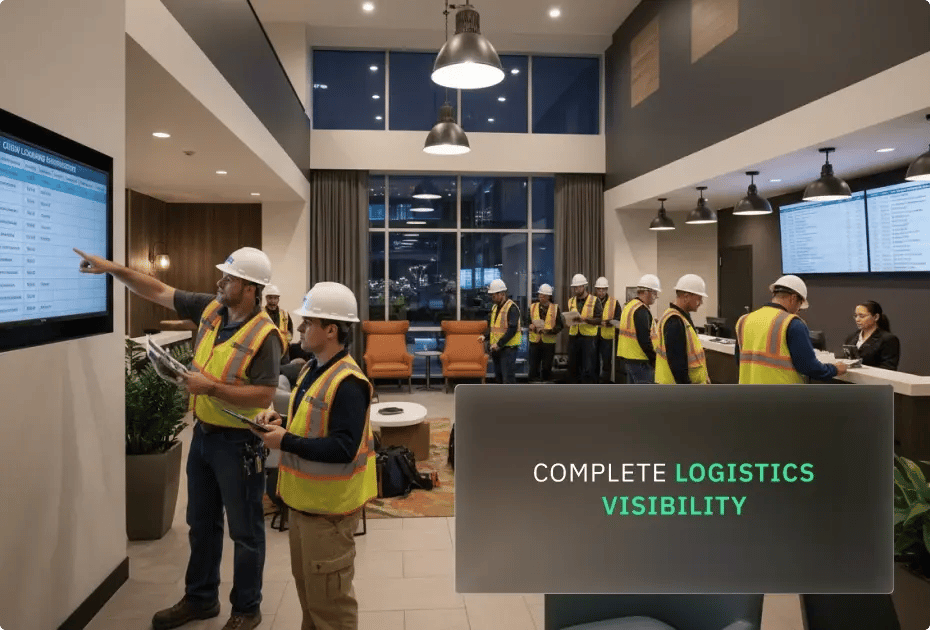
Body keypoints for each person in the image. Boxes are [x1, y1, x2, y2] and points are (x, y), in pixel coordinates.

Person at [74, 246, 280, 630]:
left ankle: (247, 609)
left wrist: (211, 388)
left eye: (229, 279)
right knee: (201, 523)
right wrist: (112, 268)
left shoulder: (265, 335)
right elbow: (156, 290)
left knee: (245, 532)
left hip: (239, 444)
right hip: (203, 438)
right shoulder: (211, 309)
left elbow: (265, 393)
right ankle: (201, 599)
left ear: (250, 288)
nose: (220, 282)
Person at [250, 282, 375, 630]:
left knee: (330, 609)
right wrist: (280, 421)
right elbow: (312, 425)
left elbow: (343, 448)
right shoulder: (311, 369)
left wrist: (285, 441)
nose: (301, 329)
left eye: (308, 323)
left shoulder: (349, 382)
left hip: (329, 514)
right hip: (303, 504)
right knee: (311, 600)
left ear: (331, 330)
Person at [734, 275, 848, 383]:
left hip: (749, 393)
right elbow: (808, 366)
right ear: (793, 298)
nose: (798, 311)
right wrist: (835, 369)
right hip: (781, 394)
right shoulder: (792, 323)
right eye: (800, 305)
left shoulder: (744, 320)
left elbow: (739, 360)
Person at [652, 274, 710, 385]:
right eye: (699, 298)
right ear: (686, 296)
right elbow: (677, 365)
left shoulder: (678, 317)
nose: (701, 302)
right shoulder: (674, 321)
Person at [617, 274, 660, 384]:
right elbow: (644, 339)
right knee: (645, 392)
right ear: (646, 292)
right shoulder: (641, 310)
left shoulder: (629, 306)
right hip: (640, 359)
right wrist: (654, 359)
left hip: (629, 358)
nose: (656, 297)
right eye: (655, 293)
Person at [479, 278, 521, 384]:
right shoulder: (495, 308)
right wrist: (486, 336)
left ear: (502, 294)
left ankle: (510, 395)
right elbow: (494, 327)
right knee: (499, 378)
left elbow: (512, 329)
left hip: (508, 349)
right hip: (497, 349)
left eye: (494, 295)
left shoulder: (512, 308)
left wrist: (499, 344)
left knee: (508, 379)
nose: (492, 298)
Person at [566, 274, 602, 383]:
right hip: (574, 337)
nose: (575, 289)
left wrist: (586, 320)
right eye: (574, 287)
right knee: (573, 367)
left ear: (584, 286)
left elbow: (599, 320)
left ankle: (587, 390)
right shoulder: (571, 301)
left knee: (588, 368)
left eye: (578, 287)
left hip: (589, 338)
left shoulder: (595, 300)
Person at [844, 300, 900, 370]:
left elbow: (888, 367)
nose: (857, 319)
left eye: (862, 316)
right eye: (856, 316)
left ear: (876, 317)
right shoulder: (851, 337)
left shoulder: (888, 339)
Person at [527, 283, 563, 382]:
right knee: (533, 367)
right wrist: (530, 325)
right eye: (540, 295)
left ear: (548, 297)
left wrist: (549, 331)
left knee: (547, 368)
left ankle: (546, 385)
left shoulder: (555, 309)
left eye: (543, 296)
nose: (540, 297)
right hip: (535, 342)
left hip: (549, 342)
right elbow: (526, 321)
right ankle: (532, 384)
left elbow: (560, 326)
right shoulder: (533, 307)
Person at [594, 276, 621, 383]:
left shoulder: (614, 302)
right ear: (596, 290)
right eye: (599, 289)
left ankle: (605, 383)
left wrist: (610, 322)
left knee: (606, 361)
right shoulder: (591, 301)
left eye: (603, 289)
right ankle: (594, 383)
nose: (601, 292)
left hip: (607, 337)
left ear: (607, 289)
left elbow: (619, 318)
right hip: (593, 335)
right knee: (593, 360)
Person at [264, 284, 293, 363]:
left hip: (283, 353)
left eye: (275, 298)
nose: (273, 301)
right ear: (266, 298)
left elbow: (290, 332)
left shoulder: (285, 314)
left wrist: (284, 341)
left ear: (278, 299)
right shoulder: (261, 314)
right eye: (270, 298)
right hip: (265, 352)